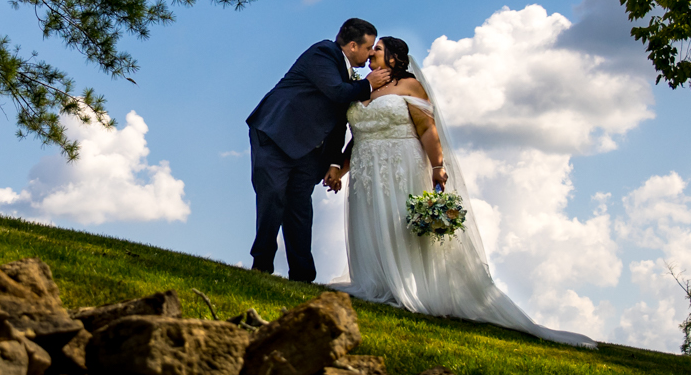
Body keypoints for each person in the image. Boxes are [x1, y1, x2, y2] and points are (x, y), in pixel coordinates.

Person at [324, 36, 597, 348]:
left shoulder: (410, 86)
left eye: (378, 49)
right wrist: (339, 169)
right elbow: (358, 135)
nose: (372, 53)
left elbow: (427, 128)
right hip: (365, 169)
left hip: (400, 165)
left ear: (395, 59)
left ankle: (412, 286)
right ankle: (378, 282)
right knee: (371, 223)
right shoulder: (363, 89)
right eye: (371, 49)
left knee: (399, 224)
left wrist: (437, 166)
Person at [245, 18, 393, 280]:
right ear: (351, 45)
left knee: (300, 208)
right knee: (273, 197)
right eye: (369, 47)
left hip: (307, 149)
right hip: (275, 135)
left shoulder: (349, 75)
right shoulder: (323, 53)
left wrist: (334, 163)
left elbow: (338, 123)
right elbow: (337, 93)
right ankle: (262, 264)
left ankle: (303, 275)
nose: (371, 53)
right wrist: (369, 84)